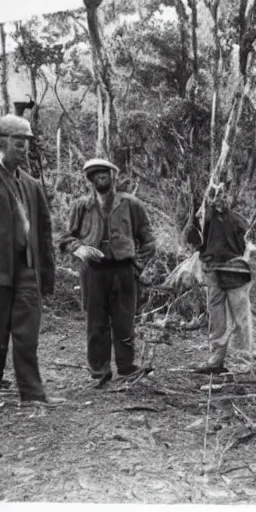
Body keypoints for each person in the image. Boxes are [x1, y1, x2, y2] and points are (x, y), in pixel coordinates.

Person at [60, 158, 156, 386]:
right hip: (93, 273)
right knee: (96, 323)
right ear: (90, 179)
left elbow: (149, 241)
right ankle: (99, 372)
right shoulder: (81, 206)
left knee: (125, 322)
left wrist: (137, 266)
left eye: (105, 173)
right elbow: (65, 238)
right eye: (96, 174)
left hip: (124, 271)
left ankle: (126, 368)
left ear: (114, 177)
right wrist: (79, 248)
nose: (101, 177)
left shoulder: (131, 204)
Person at [0, 114, 57, 405]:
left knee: (27, 336)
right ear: (2, 142)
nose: (24, 149)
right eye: (18, 143)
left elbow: (44, 233)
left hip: (26, 269)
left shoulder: (31, 185)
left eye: (26, 144)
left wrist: (47, 276)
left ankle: (32, 395)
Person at [184, 182, 255, 375]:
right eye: (216, 195)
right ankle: (216, 359)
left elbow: (246, 245)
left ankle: (242, 362)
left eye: (224, 194)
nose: (220, 199)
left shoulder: (239, 221)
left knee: (240, 317)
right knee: (217, 317)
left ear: (231, 197)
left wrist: (243, 258)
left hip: (235, 272)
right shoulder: (204, 217)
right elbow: (194, 239)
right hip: (213, 270)